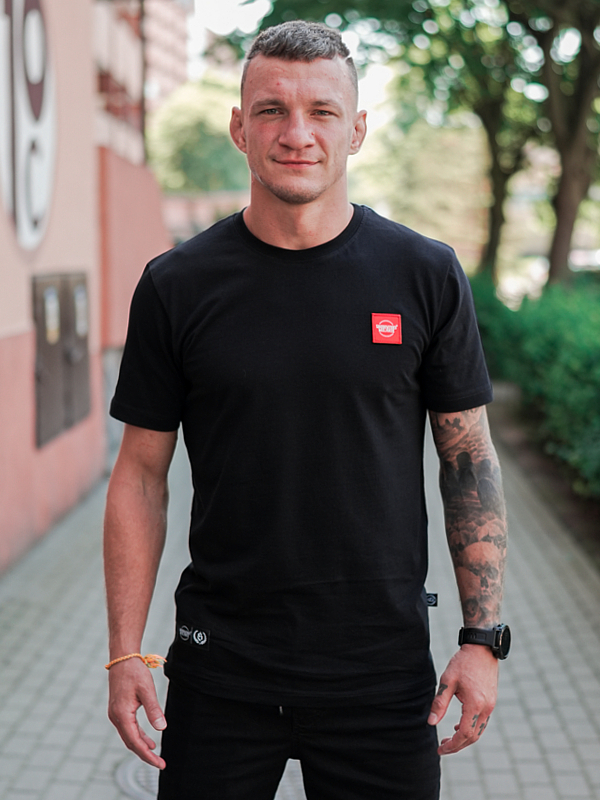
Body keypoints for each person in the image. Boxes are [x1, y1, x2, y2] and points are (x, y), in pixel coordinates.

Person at [104, 20, 508, 800]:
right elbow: (141, 475)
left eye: (323, 111)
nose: (297, 134)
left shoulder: (425, 273)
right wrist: (126, 653)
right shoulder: (176, 285)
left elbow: (469, 461)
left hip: (381, 671)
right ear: (239, 128)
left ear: (356, 129)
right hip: (220, 666)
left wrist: (481, 640)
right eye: (272, 110)